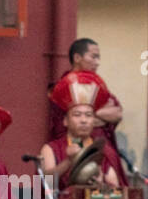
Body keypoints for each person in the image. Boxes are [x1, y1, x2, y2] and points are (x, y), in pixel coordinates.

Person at [40, 70, 144, 199]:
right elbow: (46, 183)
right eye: (77, 115)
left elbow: (115, 188)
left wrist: (101, 183)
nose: (83, 120)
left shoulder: (104, 150)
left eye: (88, 115)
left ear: (94, 121)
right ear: (66, 121)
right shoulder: (51, 148)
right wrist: (68, 161)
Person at [47, 39, 126, 181]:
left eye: (99, 58)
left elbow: (117, 113)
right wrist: (94, 113)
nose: (97, 62)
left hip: (100, 146)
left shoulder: (98, 87)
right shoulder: (61, 88)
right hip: (72, 147)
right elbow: (62, 124)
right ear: (77, 58)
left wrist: (86, 111)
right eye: (93, 57)